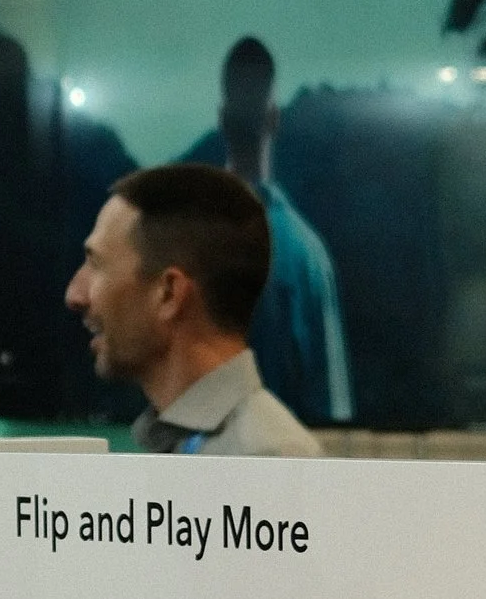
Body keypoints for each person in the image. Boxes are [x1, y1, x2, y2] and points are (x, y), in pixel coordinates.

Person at [66, 161, 323, 456]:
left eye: (97, 265)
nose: (74, 295)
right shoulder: (191, 444)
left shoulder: (270, 459)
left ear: (169, 294)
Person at [182, 39, 351, 426]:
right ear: (274, 118)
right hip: (282, 469)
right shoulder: (306, 255)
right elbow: (331, 404)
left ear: (222, 118)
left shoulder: (185, 243)